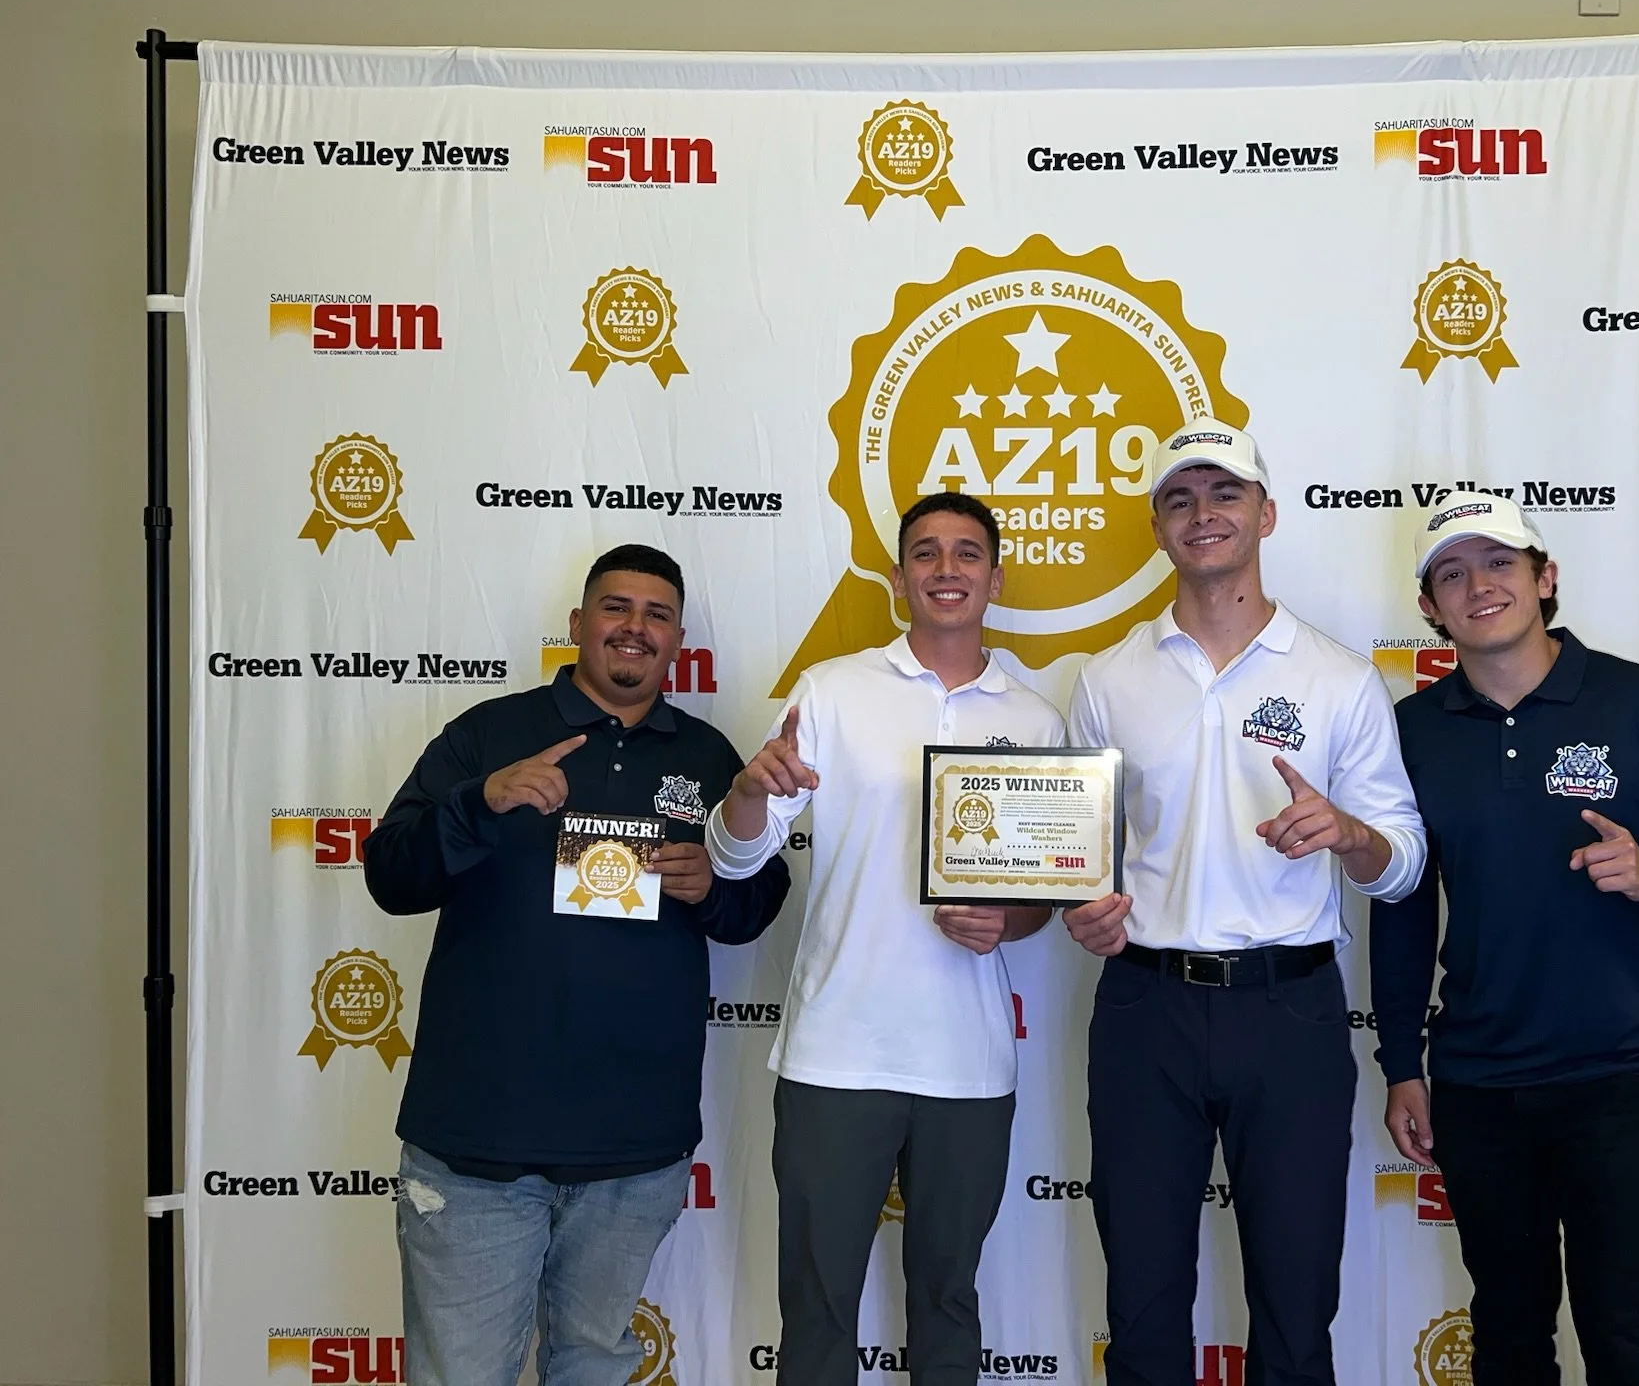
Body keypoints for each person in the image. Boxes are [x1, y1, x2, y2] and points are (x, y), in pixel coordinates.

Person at [363, 544, 789, 1386]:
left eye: (656, 615)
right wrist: (479, 803)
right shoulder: (490, 733)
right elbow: (390, 874)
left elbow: (755, 903)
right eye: (616, 608)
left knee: (594, 1366)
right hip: (478, 1141)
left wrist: (712, 884)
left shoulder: (707, 758)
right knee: (459, 1374)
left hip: (633, 1151)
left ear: (675, 642)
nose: (635, 628)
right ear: (578, 625)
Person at [1371, 494, 1639, 1386]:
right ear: (1430, 607)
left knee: (1631, 1348)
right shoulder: (1411, 733)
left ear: (1545, 578)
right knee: (1510, 1345)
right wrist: (1404, 1061)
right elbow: (1401, 904)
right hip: (1479, 1087)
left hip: (1622, 1079)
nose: (1478, 585)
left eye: (1500, 563)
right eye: (1451, 572)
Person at [1058, 418, 1427, 1386]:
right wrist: (1080, 907)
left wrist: (1348, 834)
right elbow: (1076, 858)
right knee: (1139, 1306)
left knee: (1296, 1305)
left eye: (1223, 493)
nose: (1202, 513)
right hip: (1145, 1010)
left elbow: (1401, 865)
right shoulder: (1106, 679)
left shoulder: (1340, 679)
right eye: (1178, 498)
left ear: (1265, 513)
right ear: (1156, 527)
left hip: (1289, 1009)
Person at [705, 491, 1066, 1386]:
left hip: (969, 1063)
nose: (947, 569)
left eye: (967, 553)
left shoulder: (1036, 721)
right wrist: (751, 793)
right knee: (818, 1307)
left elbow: (1039, 903)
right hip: (837, 1054)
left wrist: (1005, 920)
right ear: (899, 577)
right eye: (927, 553)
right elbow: (736, 857)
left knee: (949, 1301)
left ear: (995, 575)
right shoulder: (832, 690)